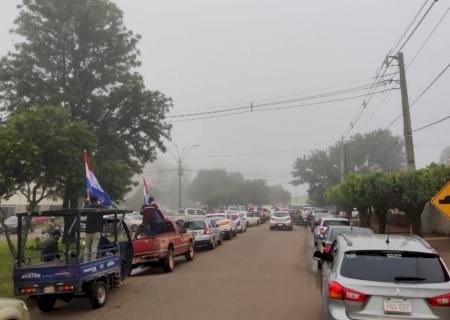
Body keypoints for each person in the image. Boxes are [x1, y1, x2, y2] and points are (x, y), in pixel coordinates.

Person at [84, 196, 106, 261]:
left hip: (88, 230)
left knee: (87, 247)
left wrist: (87, 202)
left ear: (90, 200)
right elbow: (106, 208)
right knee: (94, 246)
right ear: (97, 200)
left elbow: (83, 210)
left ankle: (85, 261)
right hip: (97, 230)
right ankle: (92, 261)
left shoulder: (88, 207)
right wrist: (101, 203)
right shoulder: (99, 207)